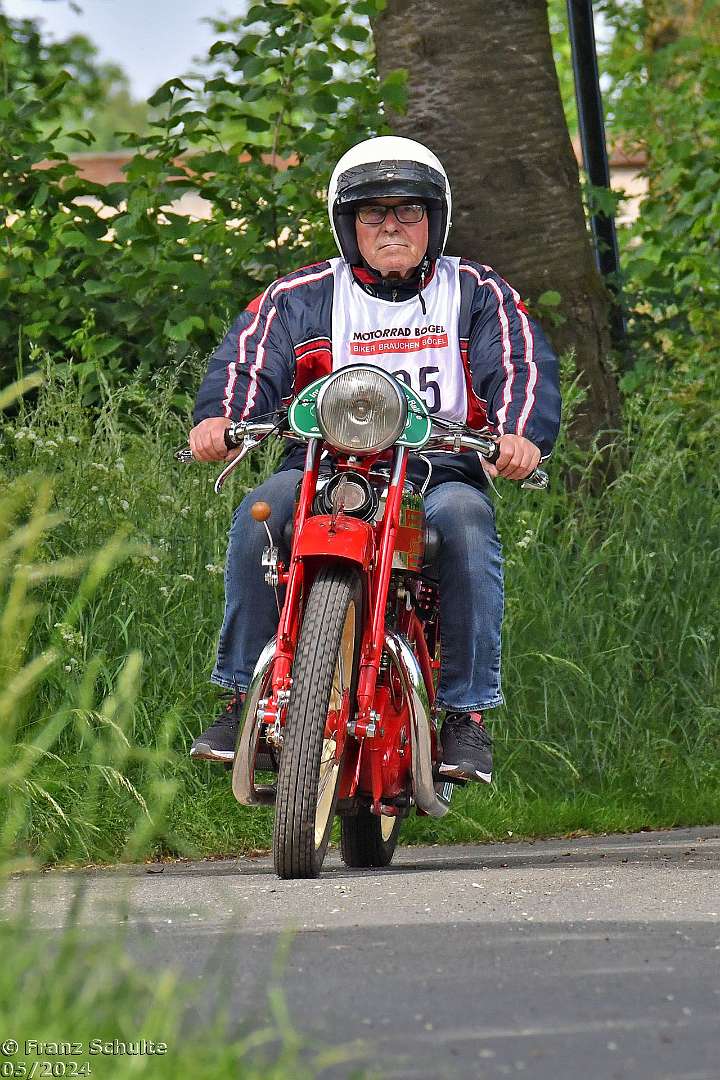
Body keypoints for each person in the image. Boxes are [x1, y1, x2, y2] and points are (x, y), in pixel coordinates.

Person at [188, 136, 561, 782]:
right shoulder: (301, 295)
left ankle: (466, 715)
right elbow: (249, 360)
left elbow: (519, 361)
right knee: (259, 517)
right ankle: (241, 698)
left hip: (437, 468)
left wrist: (519, 433)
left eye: (408, 210)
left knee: (467, 521)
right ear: (347, 224)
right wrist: (222, 418)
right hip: (321, 467)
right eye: (372, 213)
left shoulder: (476, 292)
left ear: (434, 219)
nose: (392, 226)